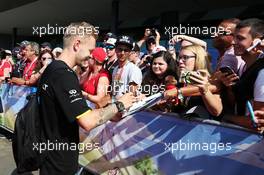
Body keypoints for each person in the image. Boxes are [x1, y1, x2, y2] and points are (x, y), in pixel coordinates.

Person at [38, 22, 136, 175]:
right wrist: (119, 104)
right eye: (90, 50)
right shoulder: (64, 75)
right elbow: (88, 121)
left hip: (50, 155)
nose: (91, 55)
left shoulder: (51, 69)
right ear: (77, 44)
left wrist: (109, 112)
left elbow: (76, 112)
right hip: (60, 161)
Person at [173, 45, 223, 118]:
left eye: (185, 57)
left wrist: (204, 90)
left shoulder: (211, 82)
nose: (180, 61)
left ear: (198, 59)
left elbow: (216, 111)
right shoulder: (182, 83)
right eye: (179, 57)